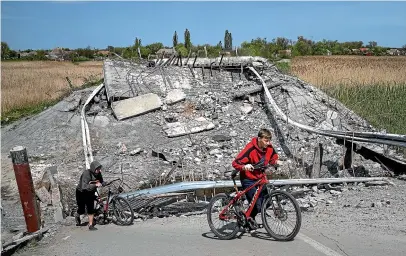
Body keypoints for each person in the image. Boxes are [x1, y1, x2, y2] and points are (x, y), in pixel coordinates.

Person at [231, 128, 282, 231]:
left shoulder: (269, 148)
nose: (268, 143)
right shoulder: (250, 149)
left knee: (266, 202)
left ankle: (249, 219)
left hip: (260, 178)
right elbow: (236, 163)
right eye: (266, 140)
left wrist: (276, 161)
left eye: (269, 140)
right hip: (248, 178)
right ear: (259, 139)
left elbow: (273, 158)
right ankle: (248, 220)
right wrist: (244, 166)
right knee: (256, 204)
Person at [75, 160, 104, 231]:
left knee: (90, 208)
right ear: (93, 168)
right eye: (97, 169)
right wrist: (95, 185)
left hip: (90, 192)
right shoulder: (86, 174)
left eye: (99, 169)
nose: (98, 170)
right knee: (81, 209)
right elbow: (84, 186)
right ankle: (77, 215)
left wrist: (103, 183)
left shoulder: (98, 173)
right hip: (81, 192)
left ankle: (90, 225)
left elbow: (101, 181)